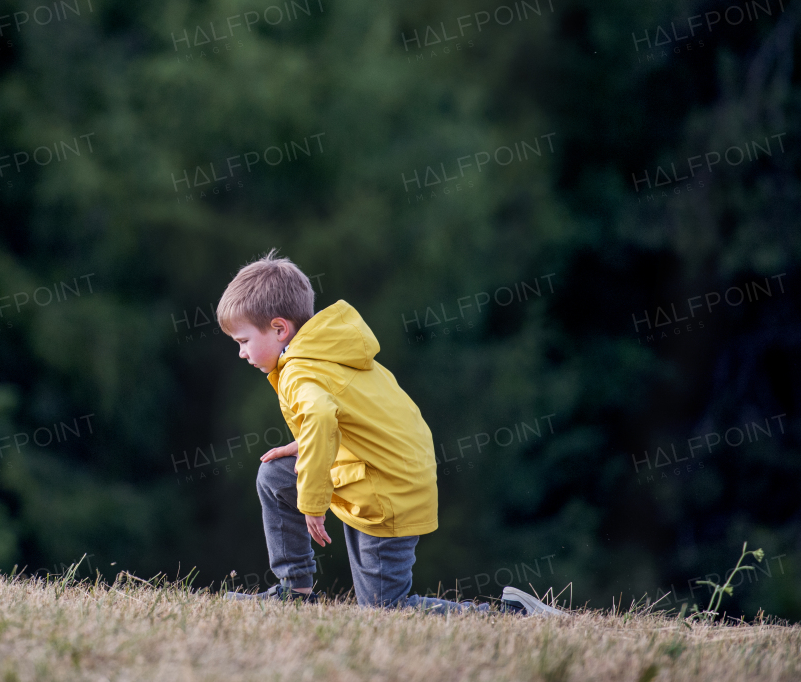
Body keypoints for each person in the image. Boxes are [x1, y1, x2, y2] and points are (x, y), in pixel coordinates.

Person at [217, 250, 564, 617]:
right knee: (275, 475)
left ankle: (511, 615)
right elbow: (350, 414)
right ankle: (295, 590)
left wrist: (313, 504)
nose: (241, 353)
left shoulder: (301, 369)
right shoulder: (323, 352)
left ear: (279, 329)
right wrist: (304, 444)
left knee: (386, 609)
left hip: (388, 488)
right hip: (370, 469)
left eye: (242, 341)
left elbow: (319, 414)